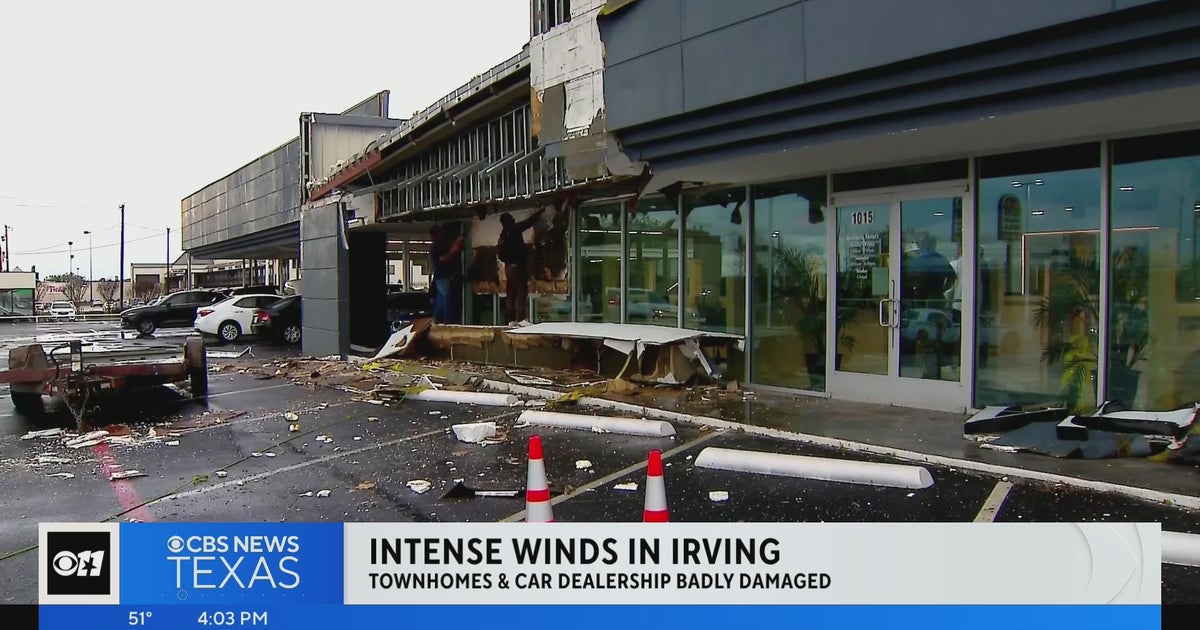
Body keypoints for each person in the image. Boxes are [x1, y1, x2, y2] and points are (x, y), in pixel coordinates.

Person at [497, 209, 544, 325]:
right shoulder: (514, 229)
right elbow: (529, 222)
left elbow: (500, 254)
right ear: (510, 221)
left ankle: (511, 320)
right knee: (521, 293)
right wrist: (540, 212)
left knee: (511, 294)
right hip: (518, 266)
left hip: (508, 268)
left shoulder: (503, 235)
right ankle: (521, 320)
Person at [429, 224, 463, 323]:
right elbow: (443, 258)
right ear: (437, 234)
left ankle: (436, 319)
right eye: (440, 232)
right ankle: (446, 321)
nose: (443, 234)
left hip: (440, 276)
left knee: (441, 300)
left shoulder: (436, 246)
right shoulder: (437, 246)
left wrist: (456, 244)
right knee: (446, 300)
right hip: (443, 276)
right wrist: (453, 251)